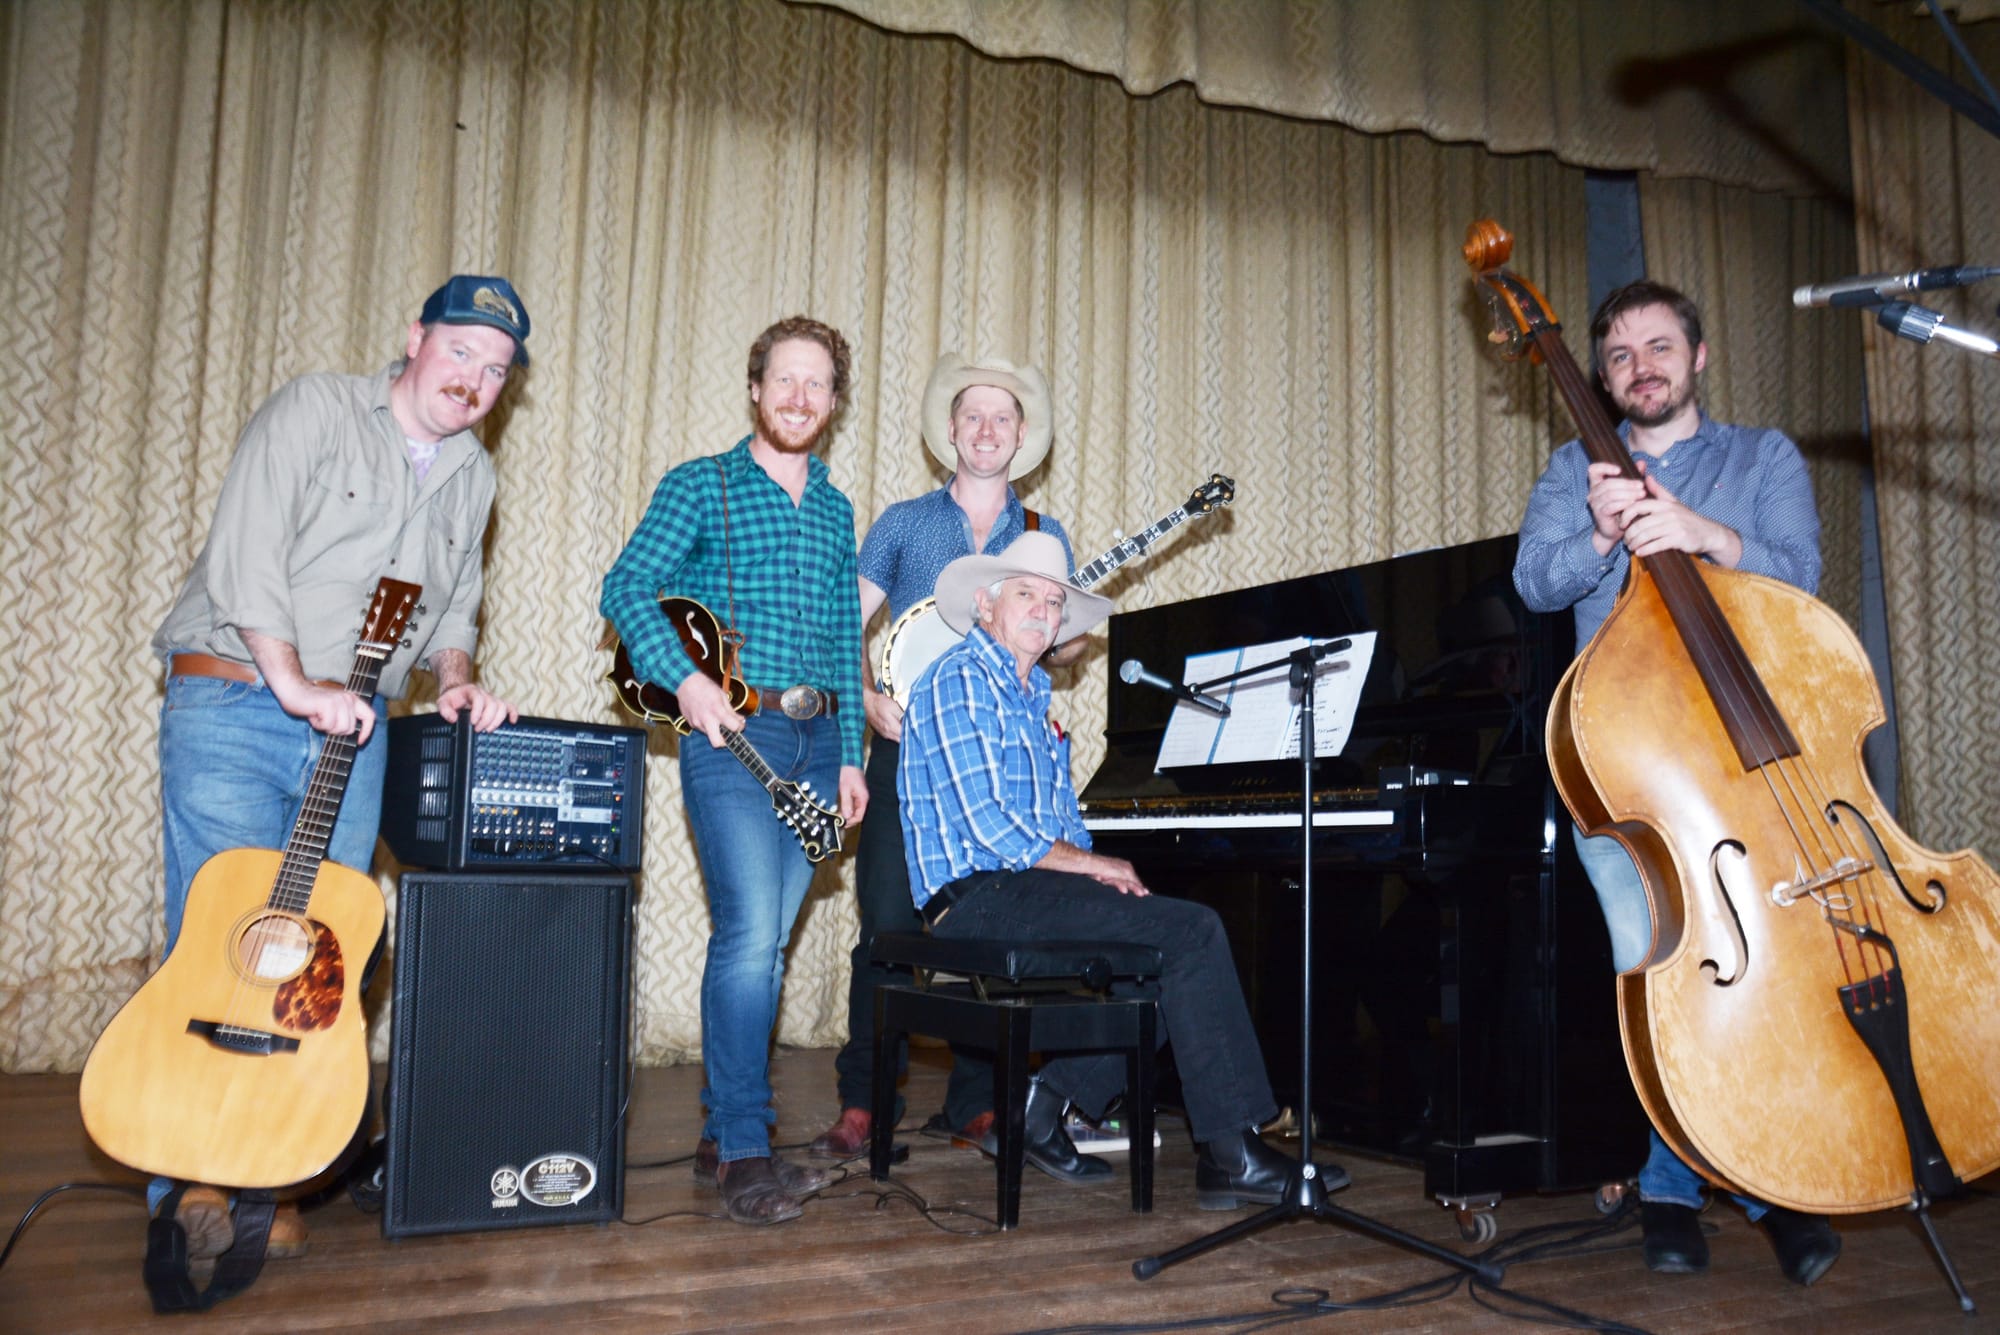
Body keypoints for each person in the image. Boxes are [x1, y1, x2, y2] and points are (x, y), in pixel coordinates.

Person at [150, 274, 527, 1271]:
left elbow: (453, 614)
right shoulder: (317, 408)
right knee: (218, 941)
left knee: (317, 963)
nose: (473, 380)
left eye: (495, 370)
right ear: (415, 339)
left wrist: (454, 683)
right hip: (234, 700)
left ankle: (268, 1173)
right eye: (461, 352)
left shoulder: (473, 476)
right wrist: (292, 681)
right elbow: (248, 552)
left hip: (357, 732)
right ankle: (188, 1174)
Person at [1511, 279, 1837, 1285]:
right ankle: (1675, 1185)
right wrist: (1604, 533)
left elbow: (1800, 577)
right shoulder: (1572, 467)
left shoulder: (1759, 457)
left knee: (1770, 976)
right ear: (1600, 375)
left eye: (1657, 347)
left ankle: (1769, 1181)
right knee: (1660, 973)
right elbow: (1532, 583)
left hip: (1753, 752)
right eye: (1615, 355)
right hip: (1626, 762)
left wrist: (1700, 532)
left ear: (1696, 357)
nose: (1637, 367)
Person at [896, 531, 1323, 1205]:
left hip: (1023, 885)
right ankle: (1233, 1154)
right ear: (985, 606)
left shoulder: (1032, 696)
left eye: (1054, 599)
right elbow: (993, 829)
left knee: (1167, 953)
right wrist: (1097, 864)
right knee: (1190, 934)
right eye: (1026, 593)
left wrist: (1104, 875)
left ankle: (1038, 1115)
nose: (1043, 609)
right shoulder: (958, 679)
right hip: (973, 897)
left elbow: (1065, 830)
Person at [600, 316, 868, 1225]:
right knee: (750, 936)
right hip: (727, 743)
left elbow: (842, 636)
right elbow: (625, 585)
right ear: (755, 388)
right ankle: (747, 1153)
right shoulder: (701, 484)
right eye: (784, 380)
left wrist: (851, 759)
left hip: (817, 745)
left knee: (769, 944)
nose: (799, 396)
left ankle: (723, 1127)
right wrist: (686, 680)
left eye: (817, 384)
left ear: (834, 402)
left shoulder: (836, 508)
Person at [809, 353, 1088, 1162]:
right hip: (906, 758)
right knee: (888, 929)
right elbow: (839, 624)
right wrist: (863, 699)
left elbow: (1057, 651)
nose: (988, 429)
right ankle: (865, 1103)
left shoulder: (1043, 536)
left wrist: (1070, 637)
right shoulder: (901, 523)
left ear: (1022, 435)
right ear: (950, 433)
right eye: (973, 415)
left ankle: (976, 1103)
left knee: (988, 926)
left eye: (1003, 417)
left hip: (995, 764)